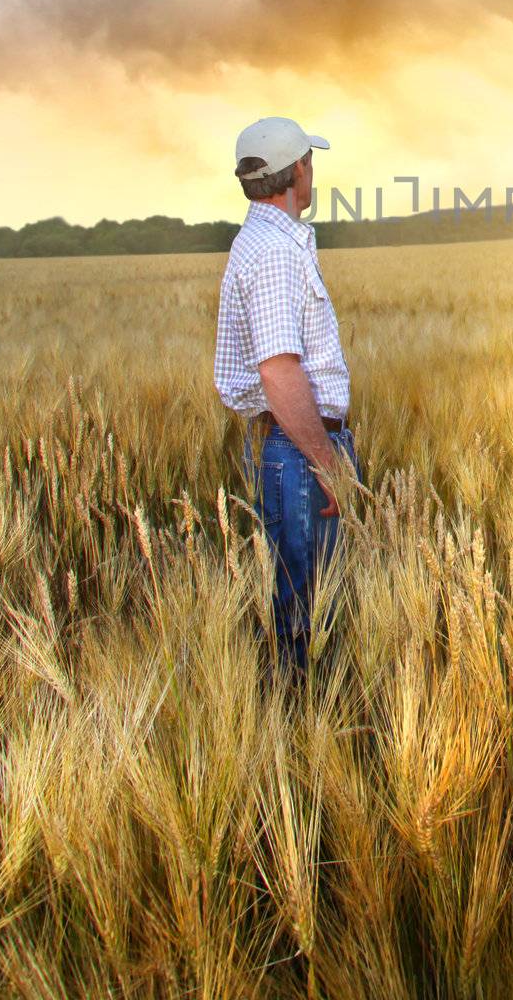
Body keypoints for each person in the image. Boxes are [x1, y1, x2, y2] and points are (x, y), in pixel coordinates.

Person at [213, 115, 368, 671]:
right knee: (309, 619)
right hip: (301, 454)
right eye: (310, 160)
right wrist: (327, 462)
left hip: (291, 450)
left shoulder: (263, 242)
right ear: (296, 170)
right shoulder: (275, 252)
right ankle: (307, 733)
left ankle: (302, 727)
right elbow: (279, 372)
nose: (313, 171)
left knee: (305, 609)